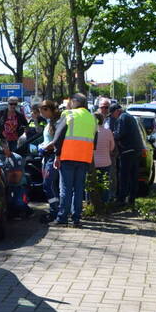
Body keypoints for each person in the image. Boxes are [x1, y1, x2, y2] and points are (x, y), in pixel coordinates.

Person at [51, 93, 97, 228]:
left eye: (70, 101)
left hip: (68, 157)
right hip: (84, 158)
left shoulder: (68, 114)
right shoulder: (92, 118)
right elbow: (95, 141)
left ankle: (62, 218)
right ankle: (76, 219)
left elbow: (58, 138)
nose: (69, 103)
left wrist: (57, 156)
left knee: (65, 189)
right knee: (79, 189)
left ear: (75, 101)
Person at [110, 103, 142, 207]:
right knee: (133, 176)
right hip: (136, 150)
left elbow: (120, 134)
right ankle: (132, 199)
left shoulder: (122, 118)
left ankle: (121, 199)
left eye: (112, 114)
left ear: (116, 111)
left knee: (124, 176)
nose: (112, 116)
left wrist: (111, 134)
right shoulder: (130, 117)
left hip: (127, 151)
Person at [37, 100, 62, 223]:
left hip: (52, 157)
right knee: (52, 186)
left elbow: (57, 141)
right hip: (47, 157)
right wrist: (42, 145)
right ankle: (55, 210)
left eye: (43, 112)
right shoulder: (49, 122)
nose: (41, 114)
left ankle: (55, 211)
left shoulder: (57, 123)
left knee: (48, 185)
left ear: (48, 110)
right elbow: (48, 139)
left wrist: (46, 147)